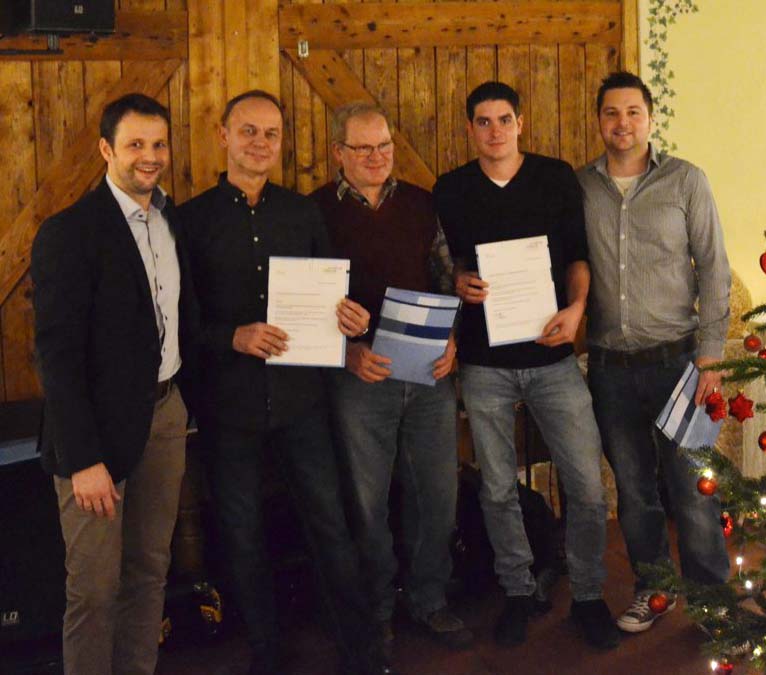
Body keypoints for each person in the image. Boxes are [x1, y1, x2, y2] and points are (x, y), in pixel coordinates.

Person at [178, 90, 388, 675]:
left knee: (331, 528)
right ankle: (266, 654)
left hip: (302, 402)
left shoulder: (302, 213)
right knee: (241, 538)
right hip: (229, 408)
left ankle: (361, 653)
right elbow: (180, 323)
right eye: (248, 131)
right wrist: (232, 337)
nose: (260, 143)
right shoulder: (189, 222)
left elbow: (335, 298)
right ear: (223, 136)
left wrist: (350, 319)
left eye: (271, 133)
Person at [433, 81, 618, 650]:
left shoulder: (555, 177)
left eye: (504, 120)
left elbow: (578, 257)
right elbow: (447, 264)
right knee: (496, 489)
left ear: (521, 123)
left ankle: (588, 594)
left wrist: (577, 309)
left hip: (553, 355)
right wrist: (458, 280)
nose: (495, 131)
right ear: (470, 129)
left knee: (587, 486)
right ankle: (518, 590)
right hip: (484, 363)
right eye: (483, 122)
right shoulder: (451, 189)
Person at [31, 92, 198, 675]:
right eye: (135, 144)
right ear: (106, 149)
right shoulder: (69, 232)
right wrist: (84, 460)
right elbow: (57, 357)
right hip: (96, 436)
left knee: (149, 573)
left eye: (159, 144)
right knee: (95, 590)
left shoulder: (171, 220)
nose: (150, 156)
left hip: (166, 414)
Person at [309, 102, 471, 651]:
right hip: (361, 380)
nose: (377, 157)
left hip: (428, 372)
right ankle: (375, 609)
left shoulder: (423, 204)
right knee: (366, 502)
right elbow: (303, 305)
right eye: (363, 148)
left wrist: (452, 339)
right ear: (338, 153)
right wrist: (347, 354)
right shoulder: (314, 213)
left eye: (384, 145)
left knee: (437, 495)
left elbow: (446, 279)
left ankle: (428, 599)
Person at [576, 71, 732, 634]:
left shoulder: (686, 180)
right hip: (610, 369)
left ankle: (713, 602)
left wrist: (710, 356)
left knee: (693, 491)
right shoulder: (581, 187)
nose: (622, 123)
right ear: (599, 120)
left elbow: (714, 268)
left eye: (633, 112)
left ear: (650, 118)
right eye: (611, 113)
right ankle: (654, 590)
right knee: (635, 492)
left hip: (680, 365)